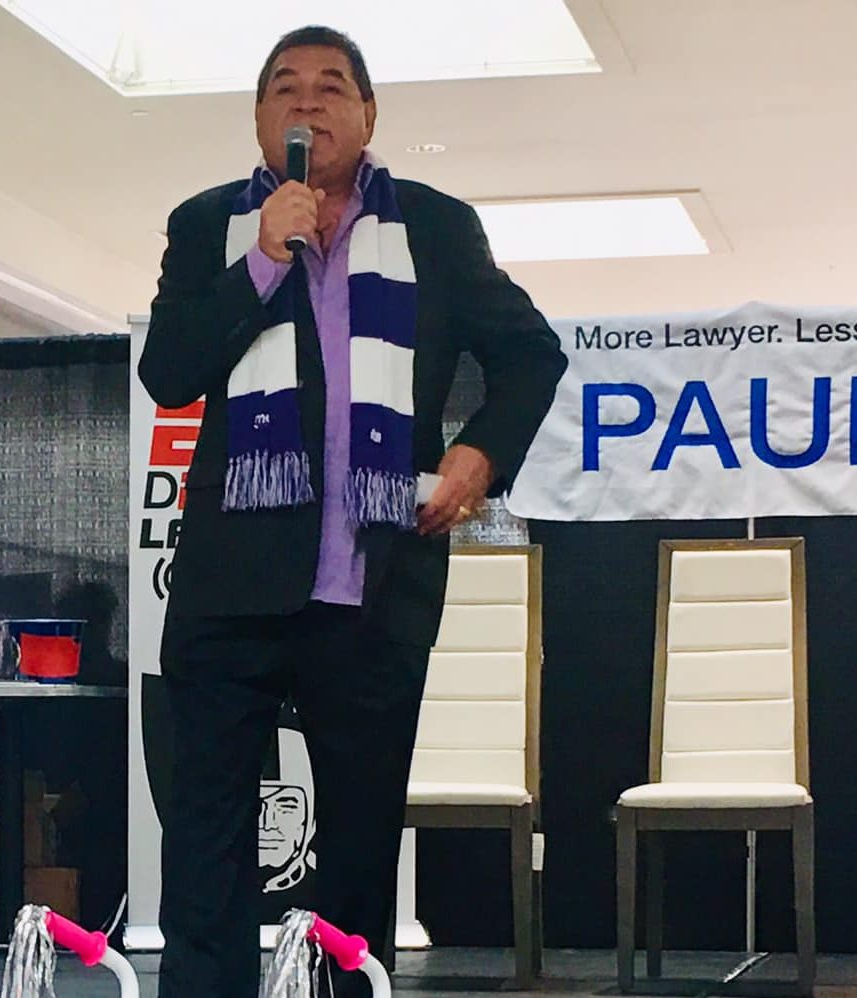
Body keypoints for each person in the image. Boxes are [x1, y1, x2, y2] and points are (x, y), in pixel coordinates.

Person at [138, 26, 568, 998]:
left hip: (374, 580)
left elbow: (531, 354)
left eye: (332, 86)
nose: (308, 101)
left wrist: (479, 452)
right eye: (284, 86)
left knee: (359, 851)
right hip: (229, 586)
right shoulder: (208, 224)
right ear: (258, 119)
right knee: (204, 844)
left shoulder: (436, 226)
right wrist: (259, 258)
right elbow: (169, 371)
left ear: (368, 115)